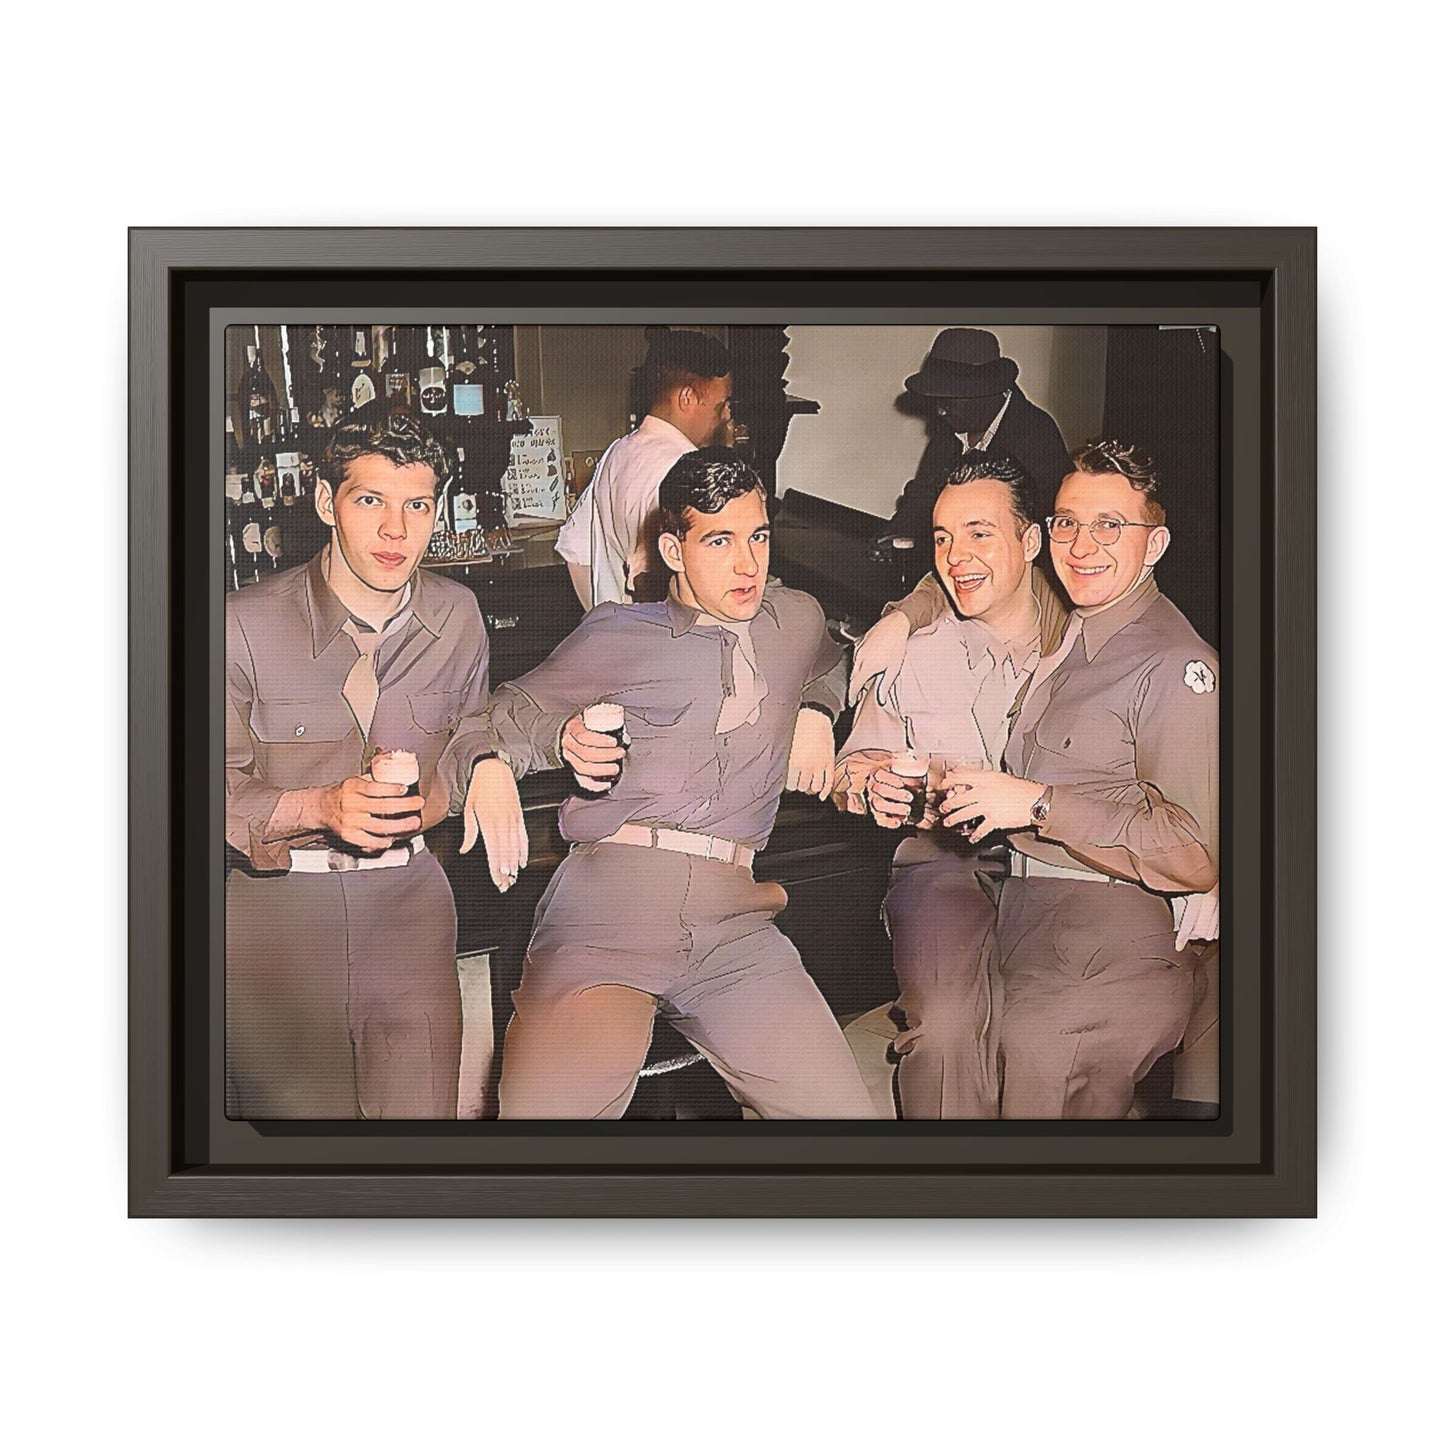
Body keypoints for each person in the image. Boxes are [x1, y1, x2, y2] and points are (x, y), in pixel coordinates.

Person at [463, 448, 879, 1119]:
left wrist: (815, 712)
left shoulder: (794, 619)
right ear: (672, 548)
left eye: (758, 535)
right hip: (609, 908)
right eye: (719, 540)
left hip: (736, 926)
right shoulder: (619, 632)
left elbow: (835, 662)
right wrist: (513, 753)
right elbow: (497, 716)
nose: (748, 563)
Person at [224, 412, 498, 1120]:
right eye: (369, 500)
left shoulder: (460, 615)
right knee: (307, 1173)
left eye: (417, 505)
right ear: (325, 502)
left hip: (411, 908)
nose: (396, 532)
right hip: (277, 922)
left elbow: (470, 731)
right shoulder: (240, 624)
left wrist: (485, 765)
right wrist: (319, 807)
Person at [935, 440, 1219, 1118]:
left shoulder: (1172, 662)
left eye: (1108, 525)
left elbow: (1195, 852)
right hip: (1023, 916)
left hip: (1104, 938)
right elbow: (959, 561)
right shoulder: (1077, 626)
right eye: (1066, 521)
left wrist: (1037, 804)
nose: (1080, 544)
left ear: (1153, 545)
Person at [834, 455, 1067, 1118]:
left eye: (978, 533)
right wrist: (867, 784)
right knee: (943, 1029)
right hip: (942, 864)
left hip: (1059, 867)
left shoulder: (1084, 642)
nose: (955, 557)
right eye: (941, 537)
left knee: (1051, 1035)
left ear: (1030, 540)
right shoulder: (913, 648)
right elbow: (855, 764)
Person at [875, 328, 1071, 588]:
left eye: (951, 399)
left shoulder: (1035, 437)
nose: (940, 410)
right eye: (937, 400)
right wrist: (897, 531)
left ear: (990, 392)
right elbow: (924, 490)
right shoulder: (953, 426)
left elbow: (1044, 533)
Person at [554, 330, 734, 609]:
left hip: (617, 638)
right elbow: (649, 578)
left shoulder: (618, 451)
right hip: (667, 645)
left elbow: (576, 551)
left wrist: (601, 617)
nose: (726, 416)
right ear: (686, 398)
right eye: (720, 405)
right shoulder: (685, 469)